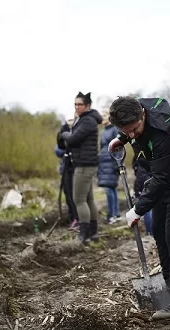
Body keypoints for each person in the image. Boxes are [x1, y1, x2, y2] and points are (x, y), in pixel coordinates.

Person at [108, 96, 170, 320]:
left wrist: (138, 210)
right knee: (159, 232)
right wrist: (122, 138)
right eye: (126, 130)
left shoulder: (164, 133)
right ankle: (168, 285)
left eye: (134, 129)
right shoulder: (133, 110)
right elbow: (159, 175)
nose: (132, 135)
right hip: (164, 175)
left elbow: (160, 179)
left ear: (143, 114)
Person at [60, 92, 102, 244]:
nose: (77, 107)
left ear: (88, 106)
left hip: (84, 165)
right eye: (75, 104)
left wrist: (63, 133)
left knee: (79, 200)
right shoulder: (86, 120)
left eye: (80, 104)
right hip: (86, 164)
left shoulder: (87, 121)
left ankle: (84, 236)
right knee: (88, 199)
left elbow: (72, 139)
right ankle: (93, 234)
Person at [55, 115, 79, 231]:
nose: (70, 122)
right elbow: (58, 150)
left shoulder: (78, 130)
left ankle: (79, 219)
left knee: (76, 195)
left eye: (72, 120)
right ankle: (72, 218)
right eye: (68, 120)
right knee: (68, 194)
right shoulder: (62, 131)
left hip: (76, 167)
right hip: (65, 167)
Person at [97, 110, 121, 224]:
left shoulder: (114, 129)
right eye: (102, 116)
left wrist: (118, 164)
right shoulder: (103, 132)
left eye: (105, 115)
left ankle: (113, 215)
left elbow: (118, 148)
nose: (103, 118)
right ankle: (114, 214)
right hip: (103, 164)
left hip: (111, 164)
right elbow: (101, 148)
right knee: (110, 189)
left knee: (109, 189)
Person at [132, 148, 153, 236]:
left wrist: (137, 192)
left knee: (148, 209)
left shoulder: (140, 158)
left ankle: (150, 232)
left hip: (146, 184)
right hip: (155, 182)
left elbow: (139, 177)